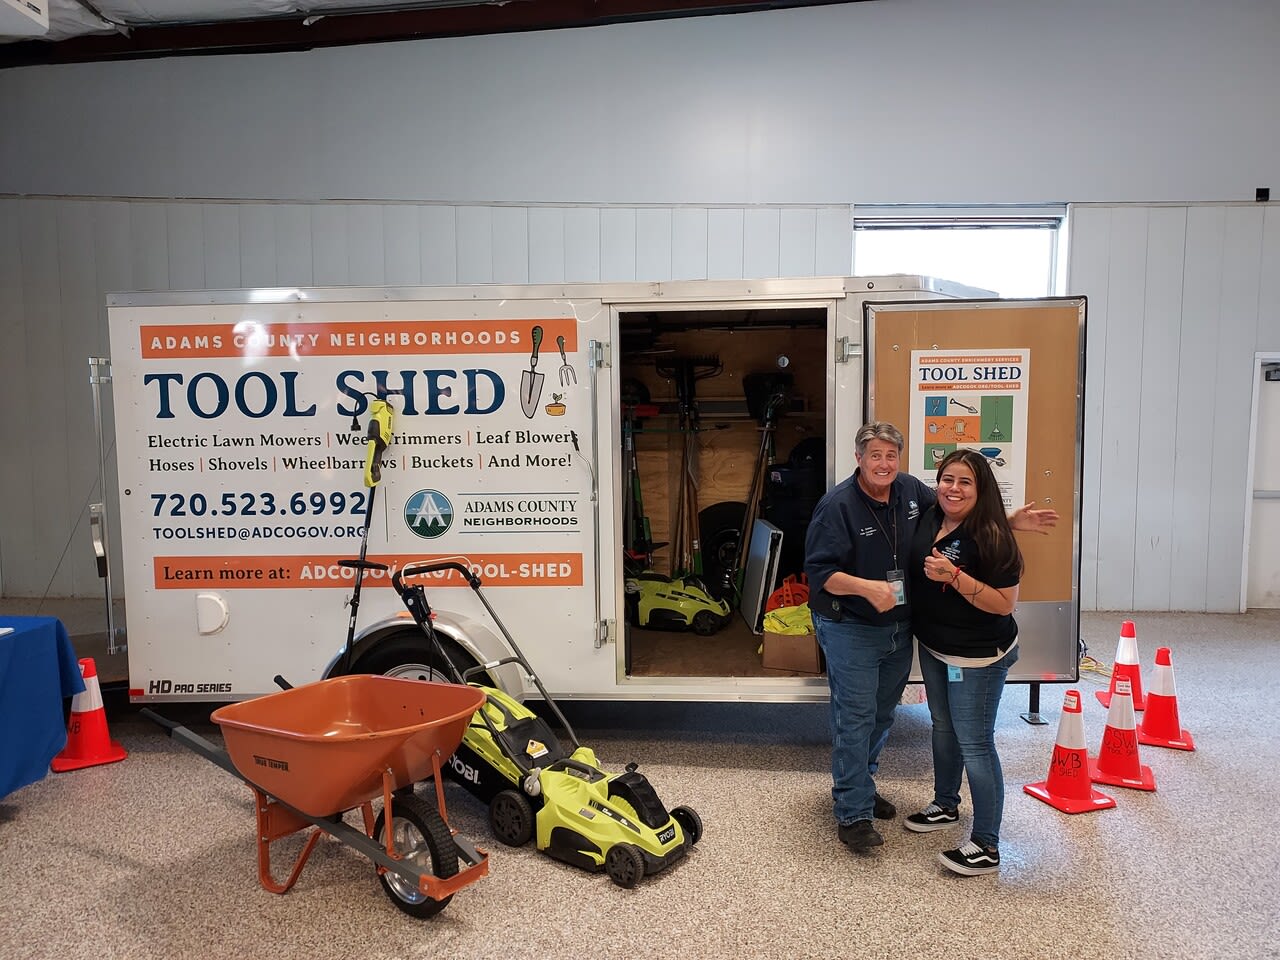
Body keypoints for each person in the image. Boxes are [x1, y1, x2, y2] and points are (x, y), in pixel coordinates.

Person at [805, 423, 1056, 853]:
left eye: (891, 455)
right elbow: (820, 574)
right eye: (875, 455)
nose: (884, 464)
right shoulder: (837, 506)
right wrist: (868, 588)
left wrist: (1008, 519)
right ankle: (853, 813)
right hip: (852, 627)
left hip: (900, 630)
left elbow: (961, 514)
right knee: (856, 718)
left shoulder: (910, 492)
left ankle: (860, 786)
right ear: (858, 458)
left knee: (882, 716)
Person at [904, 448, 1025, 876]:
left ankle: (987, 845)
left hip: (978, 658)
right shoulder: (931, 517)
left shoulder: (994, 537)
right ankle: (945, 804)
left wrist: (955, 577)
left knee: (976, 744)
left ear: (982, 489)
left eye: (965, 482)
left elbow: (1002, 603)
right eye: (947, 479)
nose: (953, 489)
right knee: (942, 726)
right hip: (936, 647)